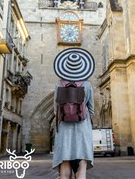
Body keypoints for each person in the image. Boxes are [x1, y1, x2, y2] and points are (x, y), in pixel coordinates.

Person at [53, 48, 95, 179]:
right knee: (81, 171)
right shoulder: (87, 85)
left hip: (64, 131)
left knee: (64, 171)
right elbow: (92, 110)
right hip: (82, 131)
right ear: (82, 68)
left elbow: (55, 110)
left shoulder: (59, 84)